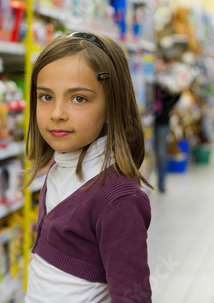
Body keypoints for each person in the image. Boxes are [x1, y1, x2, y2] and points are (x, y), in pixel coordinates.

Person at [23, 32, 153, 302]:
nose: (57, 113)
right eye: (45, 97)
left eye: (79, 98)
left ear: (111, 106)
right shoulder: (61, 167)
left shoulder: (118, 199)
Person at [153, 55, 182, 193]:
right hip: (146, 120)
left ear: (163, 63)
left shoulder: (167, 79)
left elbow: (176, 97)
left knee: (161, 152)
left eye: (158, 61)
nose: (156, 64)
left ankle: (161, 183)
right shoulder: (147, 76)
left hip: (162, 120)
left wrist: (166, 90)